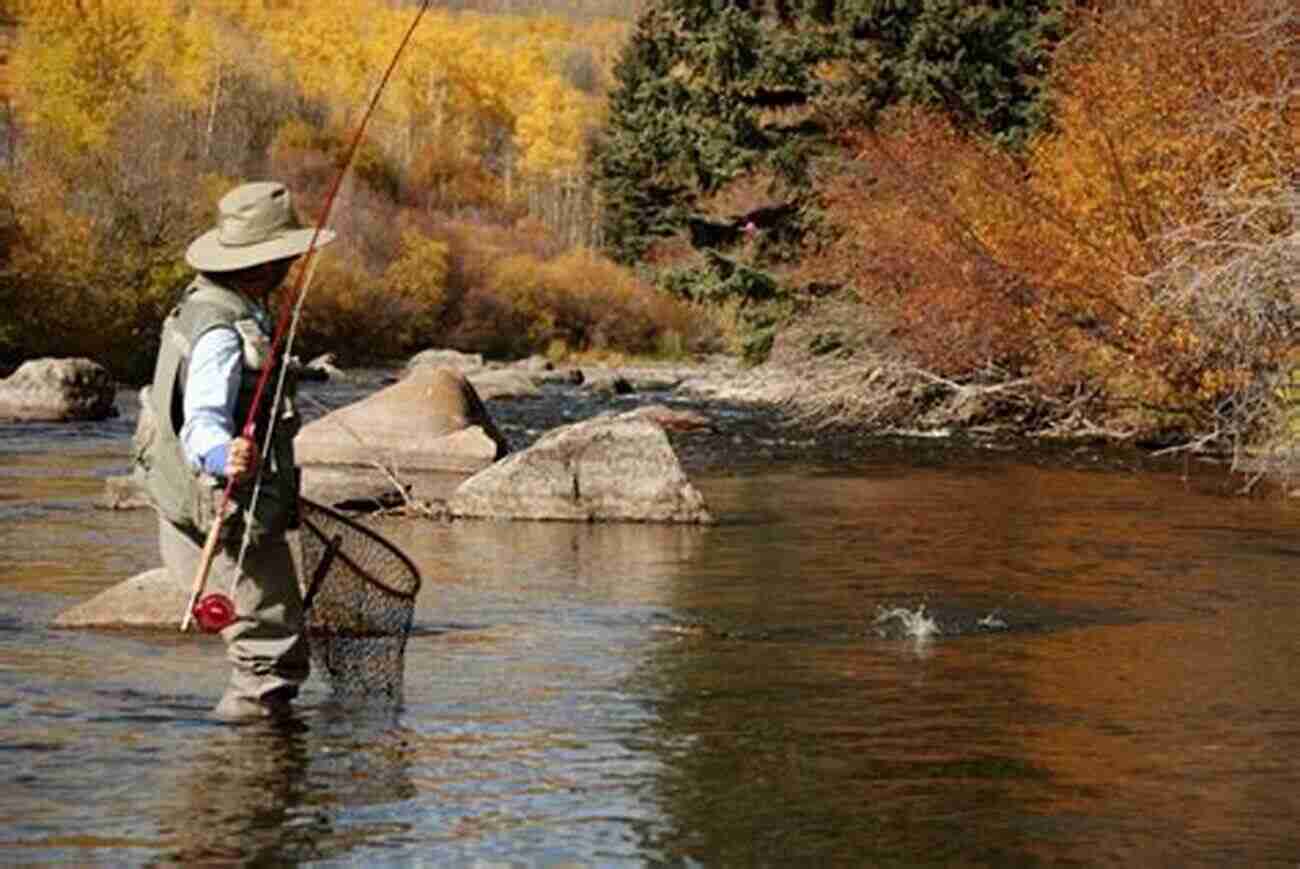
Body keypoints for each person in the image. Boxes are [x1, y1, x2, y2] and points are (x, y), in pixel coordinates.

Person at [136, 181, 335, 721]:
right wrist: (224, 456)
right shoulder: (222, 330)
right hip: (226, 508)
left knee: (261, 649)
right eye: (288, 255)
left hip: (178, 497)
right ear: (264, 264)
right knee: (270, 656)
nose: (293, 264)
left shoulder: (200, 302)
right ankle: (246, 783)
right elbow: (202, 418)